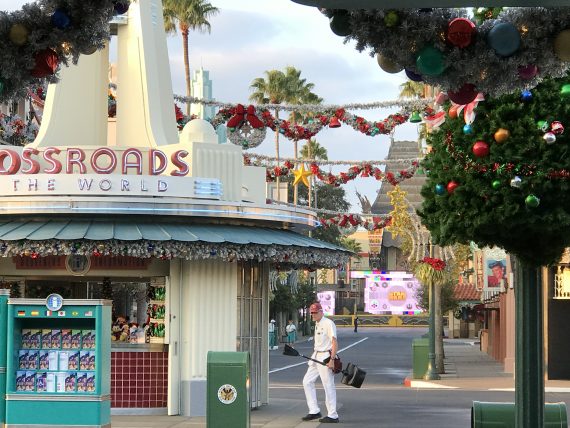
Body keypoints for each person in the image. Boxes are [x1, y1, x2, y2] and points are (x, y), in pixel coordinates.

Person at [301, 302, 339, 424]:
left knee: (328, 385)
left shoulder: (328, 323)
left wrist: (332, 360)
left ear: (321, 311)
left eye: (315, 312)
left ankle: (333, 415)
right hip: (316, 355)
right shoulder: (317, 323)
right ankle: (314, 410)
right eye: (311, 313)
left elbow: (334, 342)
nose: (313, 315)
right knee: (307, 381)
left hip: (326, 356)